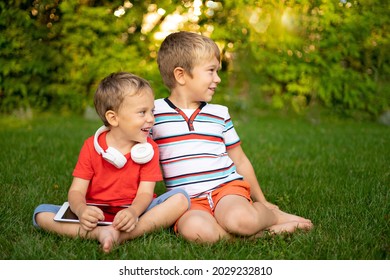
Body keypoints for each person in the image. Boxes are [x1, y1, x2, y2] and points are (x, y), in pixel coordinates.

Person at [151, 31, 313, 243]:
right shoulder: (152, 113)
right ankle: (261, 236)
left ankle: (273, 216)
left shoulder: (219, 113)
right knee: (195, 231)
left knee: (241, 221)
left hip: (226, 191)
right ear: (181, 75)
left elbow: (240, 160)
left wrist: (262, 201)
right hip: (187, 202)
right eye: (211, 71)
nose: (217, 79)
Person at [33, 72, 190, 252]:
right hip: (97, 212)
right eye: (142, 112)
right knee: (41, 214)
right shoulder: (92, 147)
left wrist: (133, 212)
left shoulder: (149, 149)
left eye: (151, 111)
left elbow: (145, 194)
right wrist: (82, 210)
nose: (151, 119)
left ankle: (121, 234)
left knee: (180, 199)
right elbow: (76, 190)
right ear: (113, 118)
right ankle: (99, 233)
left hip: (136, 212)